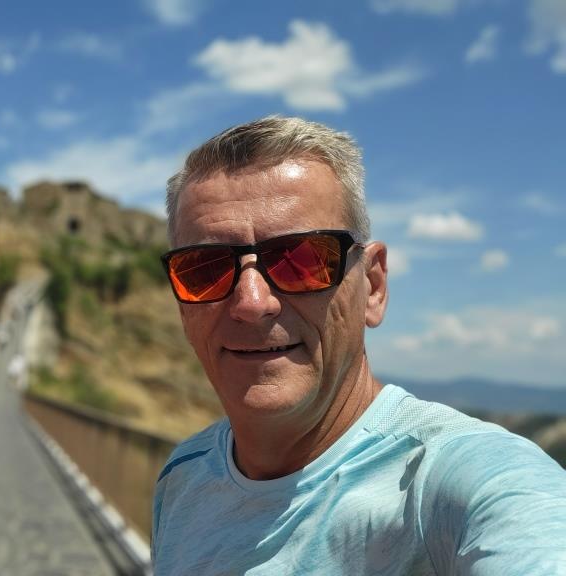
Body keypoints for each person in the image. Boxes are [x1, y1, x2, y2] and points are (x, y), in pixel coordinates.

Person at [152, 116, 566, 575]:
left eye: (302, 260)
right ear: (182, 306)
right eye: (205, 270)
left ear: (372, 286)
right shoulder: (183, 477)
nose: (252, 303)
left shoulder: (455, 484)